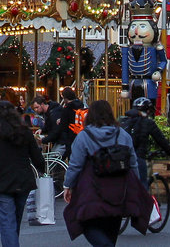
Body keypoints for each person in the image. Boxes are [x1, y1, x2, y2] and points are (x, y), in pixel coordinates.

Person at [62, 99, 145, 247]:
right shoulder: (123, 135)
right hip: (119, 190)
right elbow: (133, 163)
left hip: (92, 190)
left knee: (86, 223)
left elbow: (75, 165)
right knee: (112, 228)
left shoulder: (84, 136)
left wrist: (68, 185)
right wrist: (135, 187)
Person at [0, 100, 44, 247]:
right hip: (23, 180)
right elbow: (37, 158)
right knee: (15, 221)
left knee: (7, 222)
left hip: (3, 182)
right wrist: (42, 169)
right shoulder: (25, 131)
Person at [119, 96, 170, 186]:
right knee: (142, 186)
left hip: (122, 159)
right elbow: (160, 139)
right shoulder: (148, 123)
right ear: (148, 111)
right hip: (139, 158)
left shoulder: (124, 121)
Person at [44, 87, 84, 155]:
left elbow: (63, 126)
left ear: (65, 98)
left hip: (70, 136)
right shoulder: (80, 105)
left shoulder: (67, 109)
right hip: (80, 134)